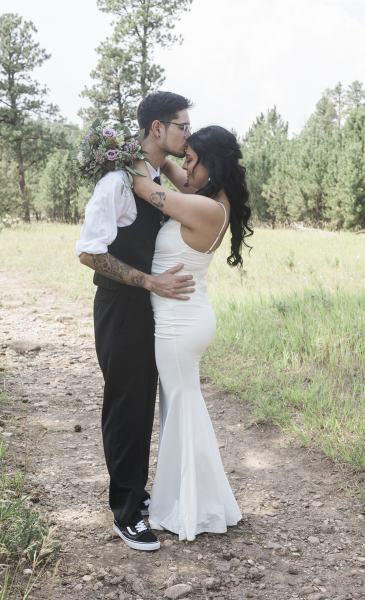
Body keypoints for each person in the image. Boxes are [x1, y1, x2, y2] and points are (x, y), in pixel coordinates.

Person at [76, 91, 195, 551]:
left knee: (145, 403)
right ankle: (126, 513)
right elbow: (89, 251)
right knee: (127, 407)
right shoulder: (117, 184)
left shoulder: (151, 173)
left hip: (150, 309)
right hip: (121, 309)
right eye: (182, 125)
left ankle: (136, 493)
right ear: (158, 129)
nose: (188, 133)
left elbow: (195, 190)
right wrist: (148, 283)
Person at [132, 125, 253, 541]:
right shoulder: (209, 198)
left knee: (182, 411)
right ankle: (189, 499)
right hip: (185, 317)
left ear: (211, 166)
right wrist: (167, 144)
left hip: (180, 325)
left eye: (192, 159)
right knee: (182, 409)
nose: (185, 166)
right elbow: (167, 165)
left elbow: (145, 186)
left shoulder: (204, 209)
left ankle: (191, 509)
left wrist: (114, 153)